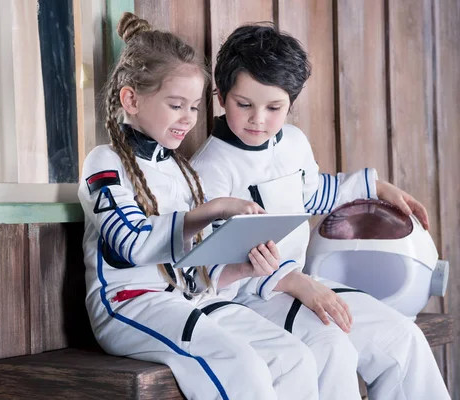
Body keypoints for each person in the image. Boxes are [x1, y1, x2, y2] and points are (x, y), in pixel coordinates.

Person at [191, 23, 450, 400]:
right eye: (243, 104)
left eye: (274, 107)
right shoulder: (210, 168)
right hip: (250, 299)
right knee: (333, 347)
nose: (258, 119)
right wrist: (297, 284)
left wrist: (376, 188)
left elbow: (312, 194)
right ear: (220, 95)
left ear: (291, 103)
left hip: (303, 284)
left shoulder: (293, 143)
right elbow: (214, 264)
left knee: (403, 339)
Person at [78, 12, 320, 400]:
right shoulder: (103, 162)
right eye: (176, 105)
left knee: (292, 357)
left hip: (187, 300)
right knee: (240, 363)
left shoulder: (181, 171)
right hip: (128, 306)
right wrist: (212, 209)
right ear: (131, 99)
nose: (188, 119)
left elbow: (196, 275)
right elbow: (132, 244)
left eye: (194, 107)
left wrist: (242, 268)